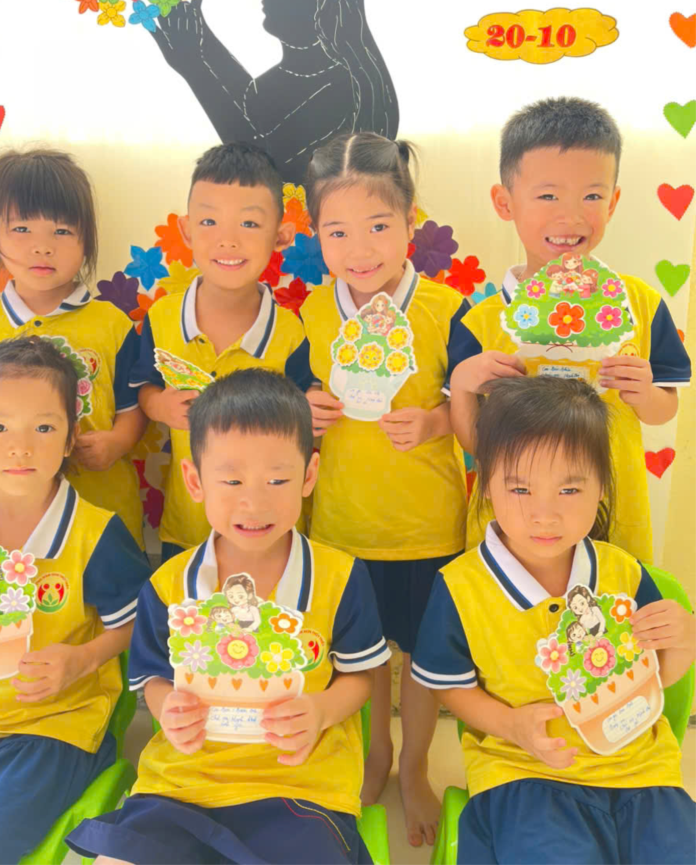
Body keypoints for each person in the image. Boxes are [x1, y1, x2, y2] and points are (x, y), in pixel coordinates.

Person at [67, 368, 390, 865]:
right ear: (194, 481)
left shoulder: (340, 576)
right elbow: (153, 679)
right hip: (180, 787)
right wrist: (167, 709)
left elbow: (361, 676)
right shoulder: (169, 584)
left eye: (277, 480)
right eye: (232, 480)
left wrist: (322, 711)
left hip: (298, 788)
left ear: (309, 475)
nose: (253, 502)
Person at [412, 376, 696, 864]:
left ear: (601, 485)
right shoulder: (461, 586)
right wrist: (511, 724)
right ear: (487, 482)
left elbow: (655, 675)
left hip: (641, 770)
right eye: (520, 488)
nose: (543, 514)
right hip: (526, 771)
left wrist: (685, 641)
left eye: (569, 488)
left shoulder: (623, 572)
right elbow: (450, 687)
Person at [291, 132, 470, 847]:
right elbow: (294, 395)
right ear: (316, 234)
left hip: (427, 524)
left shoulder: (447, 309)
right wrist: (306, 405)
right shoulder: (313, 313)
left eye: (378, 226)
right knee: (360, 659)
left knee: (423, 661)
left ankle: (416, 765)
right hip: (342, 524)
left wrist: (434, 421)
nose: (359, 249)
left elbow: (473, 406)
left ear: (409, 223)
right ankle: (375, 755)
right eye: (337, 232)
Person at [448, 98, 691, 562]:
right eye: (548, 196)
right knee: (504, 606)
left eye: (592, 197)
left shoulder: (639, 304)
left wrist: (645, 393)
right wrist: (461, 384)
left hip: (613, 514)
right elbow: (475, 443)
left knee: (612, 602)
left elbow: (665, 409)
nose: (571, 216)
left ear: (613, 202)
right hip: (512, 525)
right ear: (504, 202)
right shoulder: (482, 321)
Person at [0, 337, 151, 865]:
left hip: (50, 729)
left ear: (69, 438)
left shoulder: (94, 535)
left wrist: (82, 658)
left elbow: (143, 623)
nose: (20, 447)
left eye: (42, 428)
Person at [0, 148, 147, 547]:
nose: (42, 247)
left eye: (62, 231)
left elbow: (134, 408)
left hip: (103, 510)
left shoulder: (112, 325)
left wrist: (117, 443)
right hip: (7, 516)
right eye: (22, 229)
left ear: (87, 240)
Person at [131, 142, 304, 560]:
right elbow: (142, 387)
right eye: (209, 221)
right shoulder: (162, 318)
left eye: (249, 223)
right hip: (186, 529)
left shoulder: (293, 333)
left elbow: (305, 425)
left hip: (271, 532)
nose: (228, 240)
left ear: (280, 236)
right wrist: (159, 406)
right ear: (187, 230)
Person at [150, 0, 399, 184]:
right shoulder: (282, 79)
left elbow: (260, 160)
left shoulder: (343, 86)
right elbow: (249, 108)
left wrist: (195, 68)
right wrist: (201, 42)